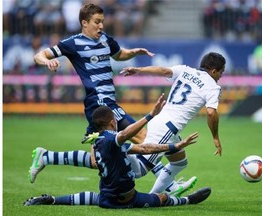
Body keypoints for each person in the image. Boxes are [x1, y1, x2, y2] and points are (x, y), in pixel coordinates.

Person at [24, 95, 212, 208]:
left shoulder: (98, 141)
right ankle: (186, 199)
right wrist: (150, 115)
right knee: (161, 198)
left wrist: (173, 147)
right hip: (127, 200)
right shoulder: (111, 139)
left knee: (93, 197)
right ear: (112, 121)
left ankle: (52, 198)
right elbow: (134, 141)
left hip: (106, 199)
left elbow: (141, 148)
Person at [33, 3, 154, 144]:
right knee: (144, 139)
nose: (101, 26)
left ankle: (47, 157)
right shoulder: (73, 43)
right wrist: (47, 62)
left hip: (102, 103)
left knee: (97, 159)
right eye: (97, 22)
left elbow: (119, 54)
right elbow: (39, 56)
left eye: (102, 22)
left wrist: (134, 52)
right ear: (84, 23)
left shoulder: (105, 40)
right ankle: (161, 167)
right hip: (101, 102)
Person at [120, 52, 225, 194]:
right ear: (213, 71)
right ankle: (120, 149)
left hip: (161, 122)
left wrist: (140, 70)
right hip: (167, 129)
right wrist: (215, 137)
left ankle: (154, 196)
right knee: (140, 170)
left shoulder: (185, 70)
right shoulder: (213, 87)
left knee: (179, 163)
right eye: (221, 72)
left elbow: (163, 70)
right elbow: (211, 112)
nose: (221, 76)